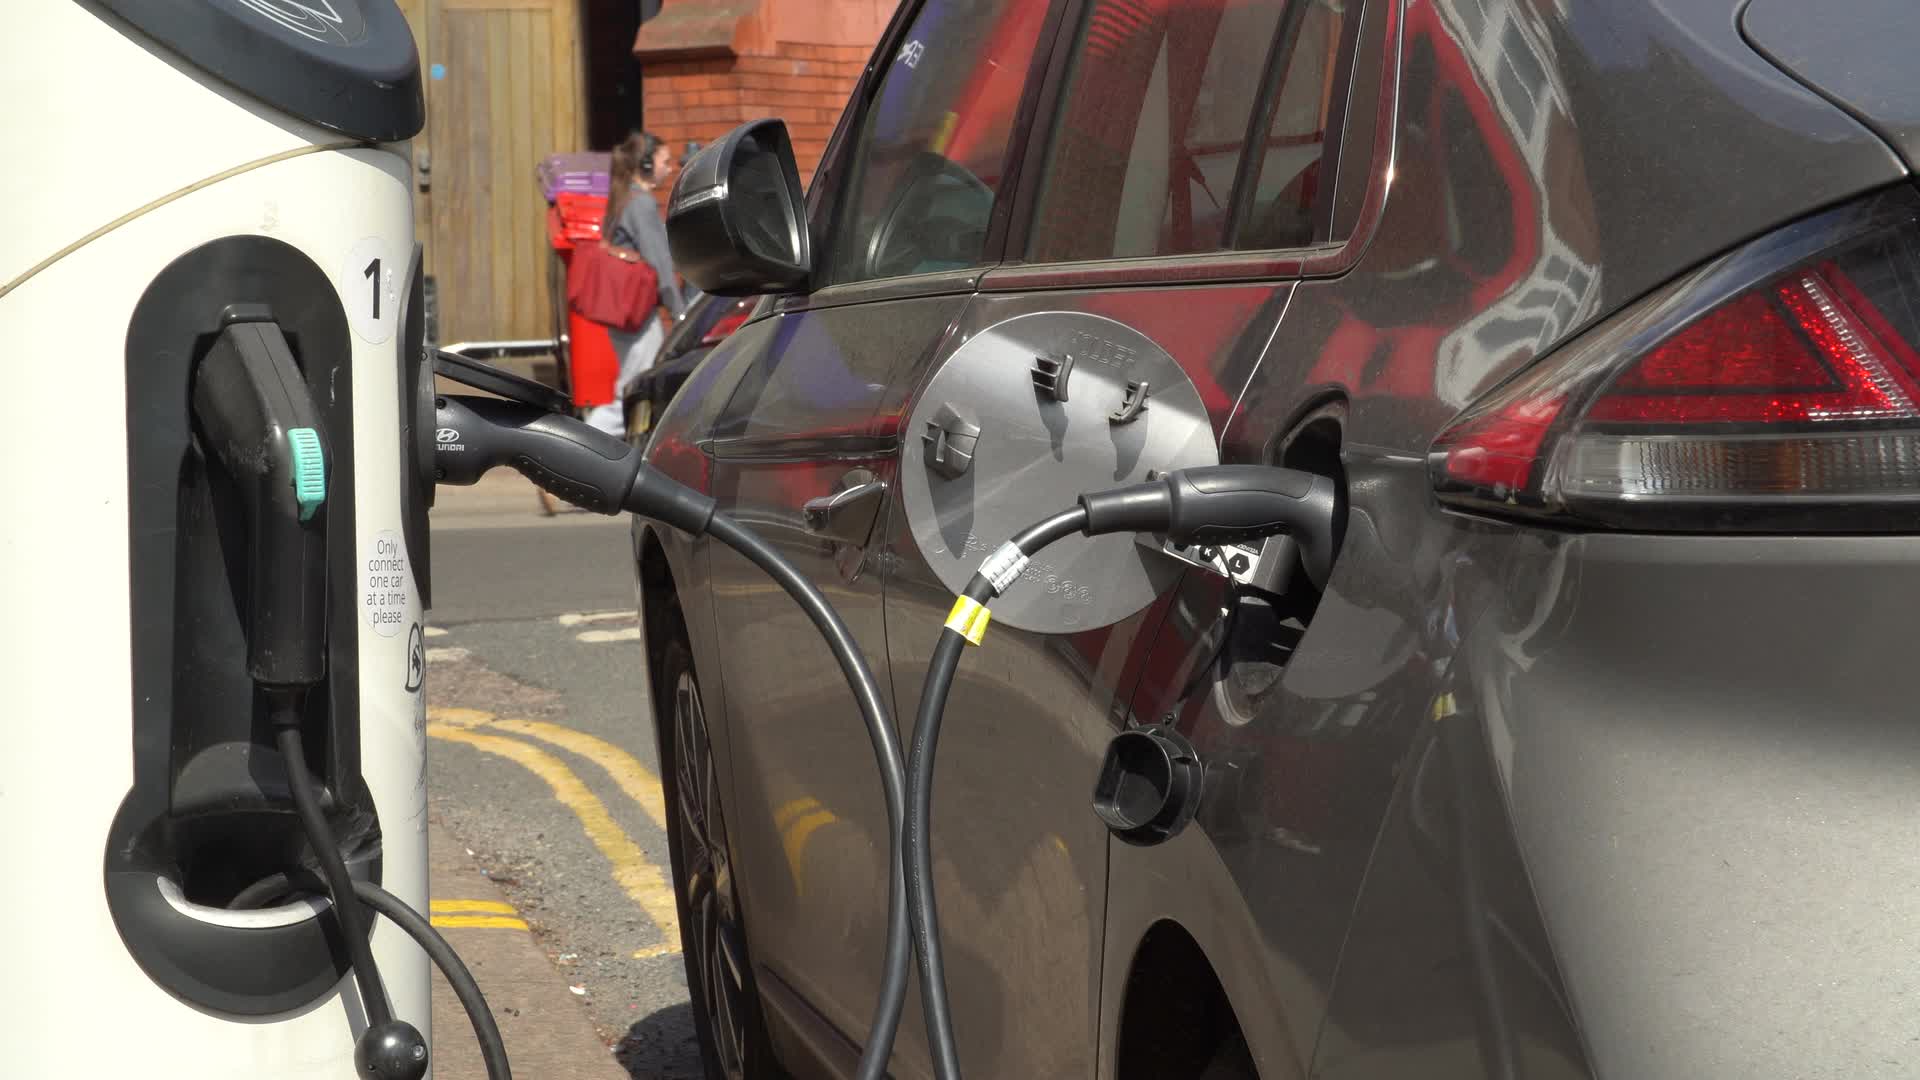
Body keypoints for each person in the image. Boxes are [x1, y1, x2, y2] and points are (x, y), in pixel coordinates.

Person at [582, 131, 687, 438]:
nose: (670, 168)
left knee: (638, 388)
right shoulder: (641, 204)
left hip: (626, 314)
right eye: (664, 161)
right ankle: (570, 457)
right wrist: (680, 313)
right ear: (646, 162)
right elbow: (660, 264)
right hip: (638, 317)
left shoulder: (622, 197)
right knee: (632, 391)